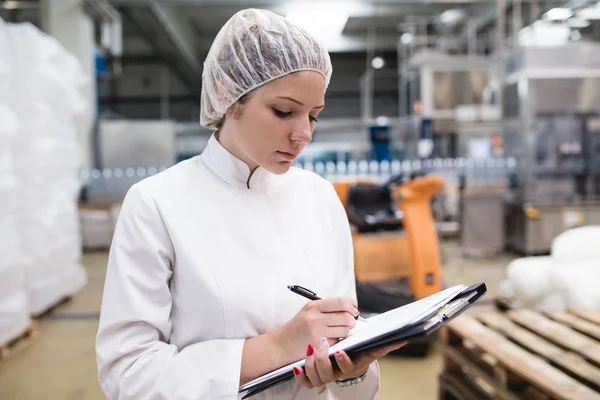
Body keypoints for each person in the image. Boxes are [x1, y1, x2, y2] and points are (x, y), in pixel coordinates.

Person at [95, 8, 406, 400]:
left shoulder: (320, 198)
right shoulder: (157, 203)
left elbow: (346, 363)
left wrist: (351, 371)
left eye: (314, 115)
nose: (304, 133)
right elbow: (128, 373)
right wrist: (276, 348)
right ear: (229, 96)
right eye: (283, 111)